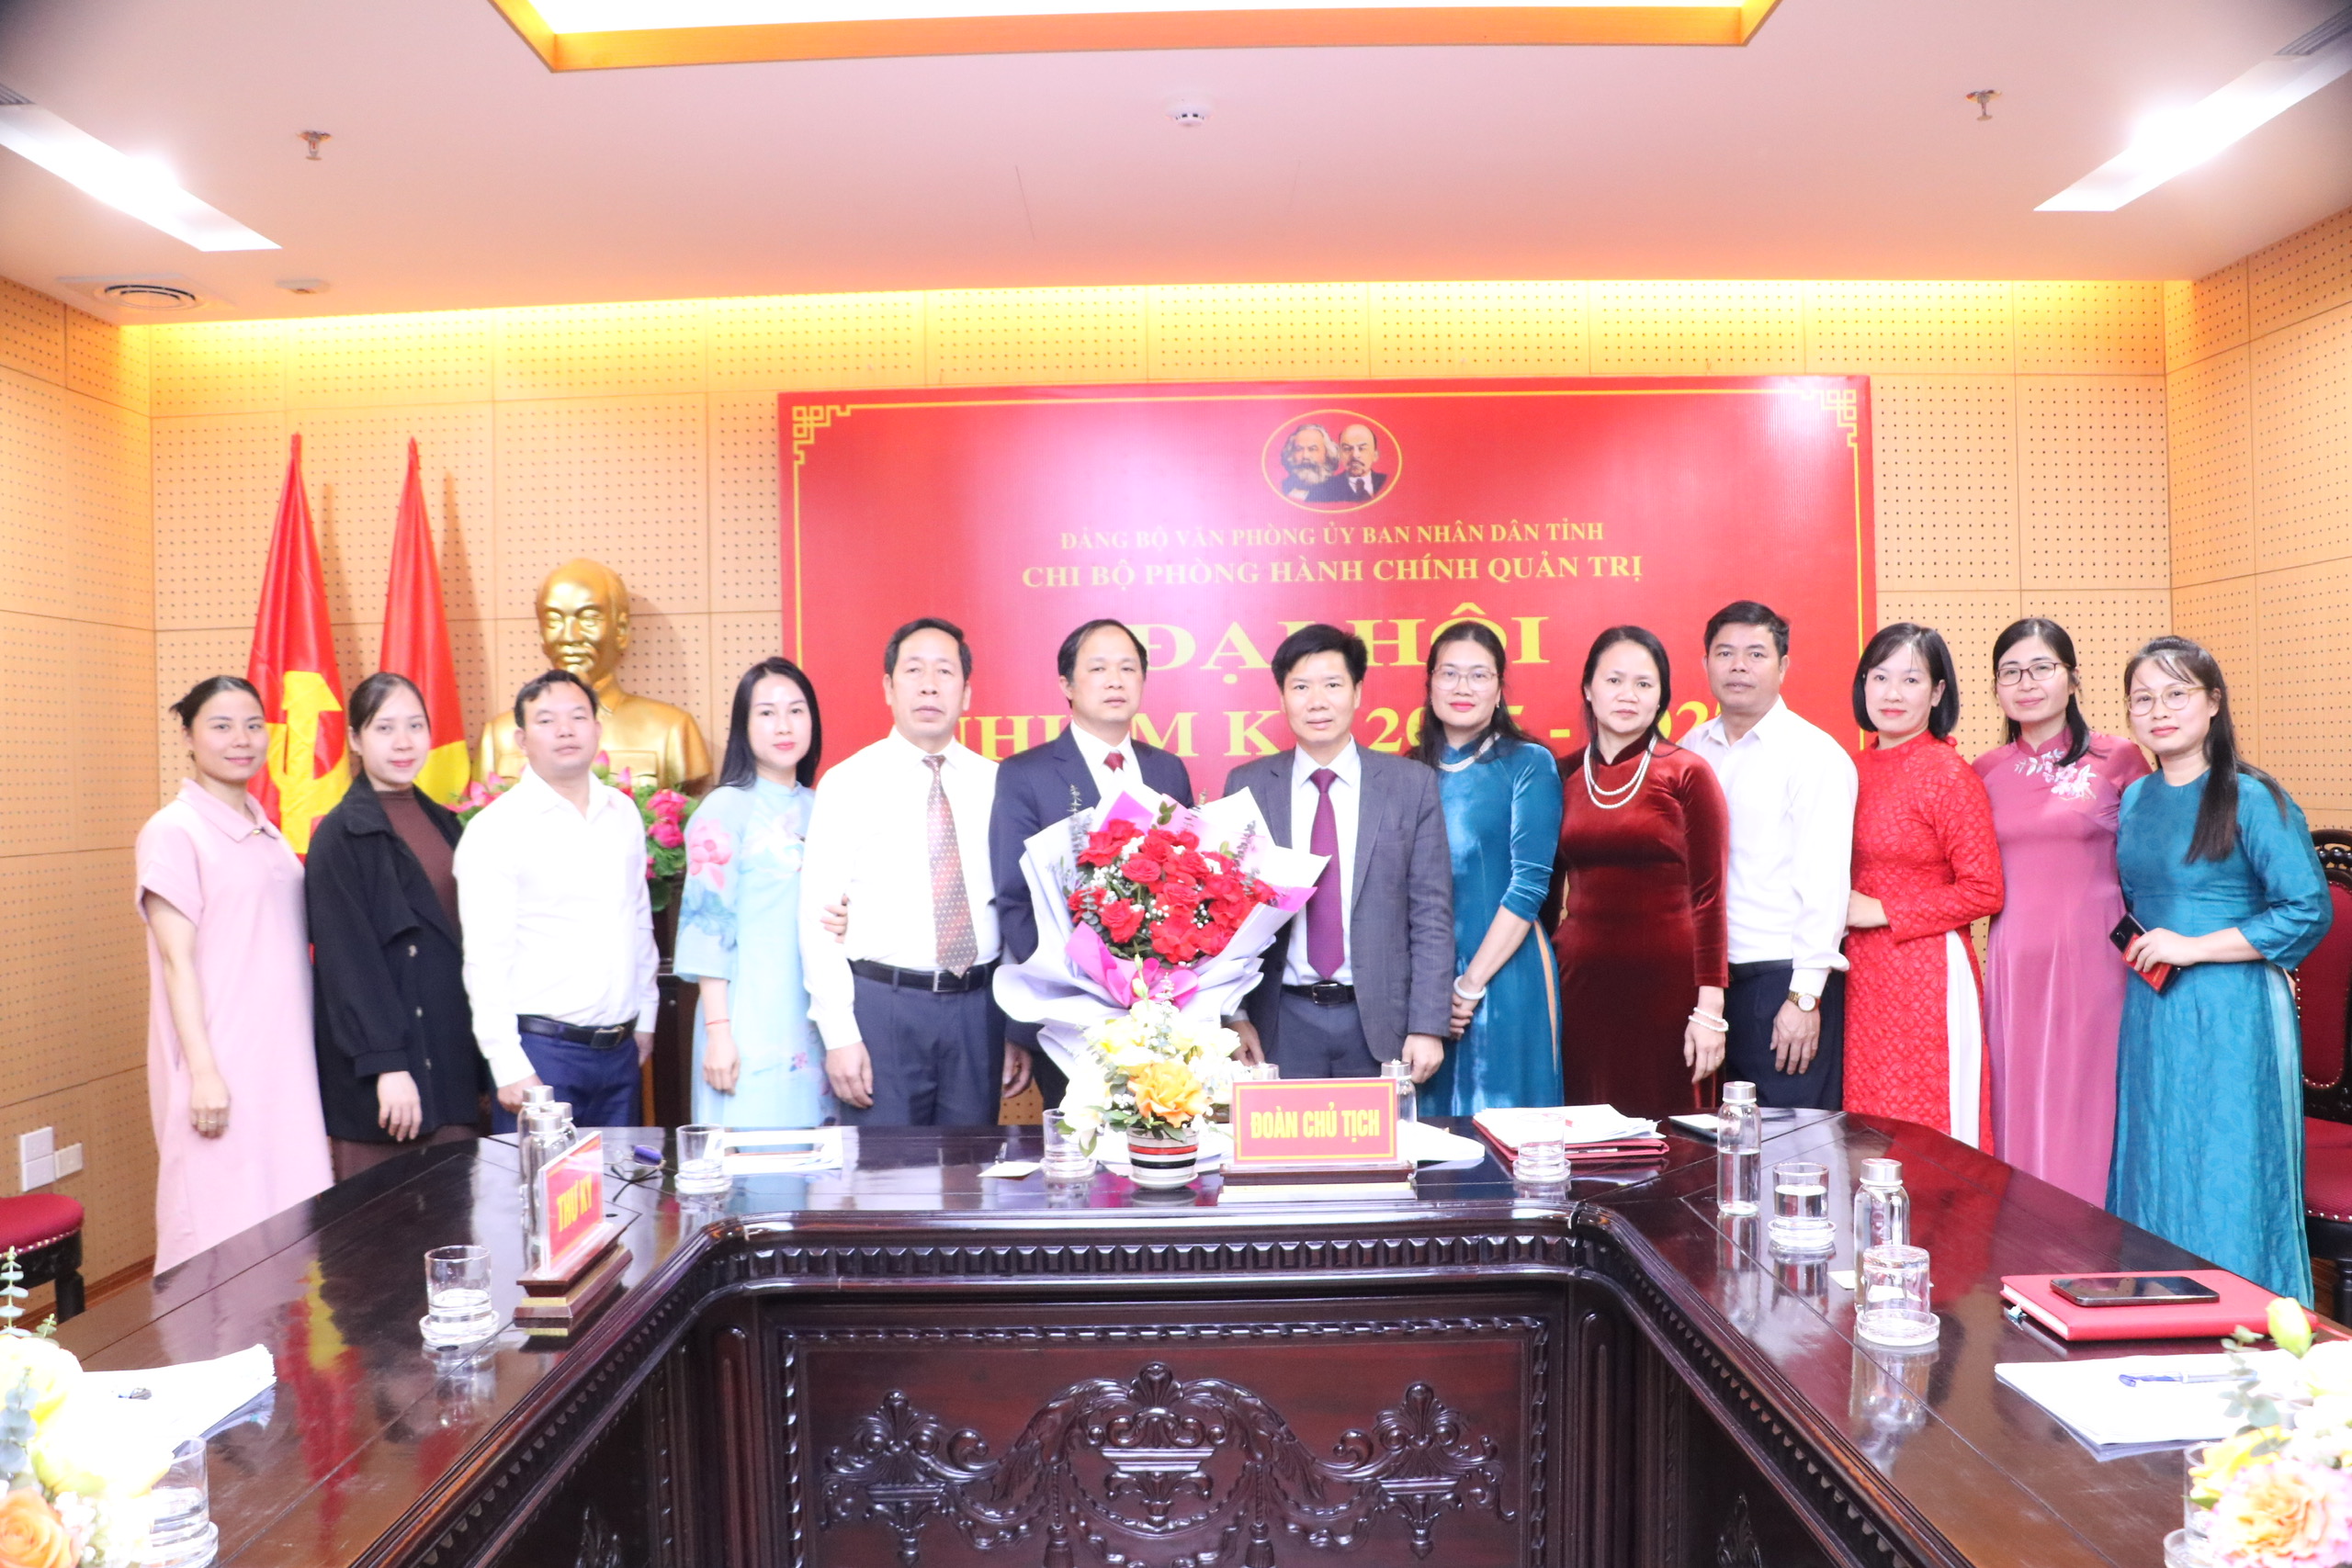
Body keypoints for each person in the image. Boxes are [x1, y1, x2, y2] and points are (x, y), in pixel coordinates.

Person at [2111, 637, 2330, 1303]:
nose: (2159, 710)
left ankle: (2242, 1319)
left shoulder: (2252, 796)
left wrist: (2195, 946)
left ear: (2213, 702)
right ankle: (2155, 1313)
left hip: (2235, 1008)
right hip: (2154, 1007)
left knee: (2226, 1162)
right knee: (2156, 1153)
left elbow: (2308, 910)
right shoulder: (2136, 798)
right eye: (2143, 698)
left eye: (2176, 694)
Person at [136, 676, 332, 1273]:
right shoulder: (174, 831)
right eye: (221, 726)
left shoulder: (266, 830)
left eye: (252, 725)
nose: (240, 739)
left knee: (284, 1246)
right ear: (188, 737)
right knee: (218, 1251)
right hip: (220, 1068)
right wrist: (204, 1073)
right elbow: (177, 961)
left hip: (283, 1071)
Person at [802, 617, 1027, 1125]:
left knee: (971, 1169)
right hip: (883, 1008)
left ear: (966, 694)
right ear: (888, 687)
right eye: (914, 670)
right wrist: (839, 1034)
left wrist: (1015, 1024)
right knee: (884, 1171)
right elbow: (817, 918)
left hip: (979, 1010)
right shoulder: (848, 782)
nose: (929, 685)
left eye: (944, 671)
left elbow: (1014, 904)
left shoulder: (997, 784)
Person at [1221, 624, 1453, 1080]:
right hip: (1278, 1021)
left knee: (1384, 1134)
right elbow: (1226, 915)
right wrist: (1234, 1014)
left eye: (1332, 684)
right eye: (1300, 687)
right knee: (1281, 1132)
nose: (1317, 701)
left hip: (1382, 1023)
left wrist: (1428, 1025)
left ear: (1358, 692)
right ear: (1282, 697)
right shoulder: (1248, 786)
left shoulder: (1409, 786)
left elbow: (1431, 912)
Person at [1971, 618, 2150, 1205]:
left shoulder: (2118, 757)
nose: (2027, 683)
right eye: (2011, 672)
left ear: (2072, 679)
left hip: (2096, 961)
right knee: (2016, 1094)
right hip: (2014, 963)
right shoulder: (1984, 771)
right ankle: (2022, 1238)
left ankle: (2095, 1239)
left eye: (2042, 668)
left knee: (2088, 1098)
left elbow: (2152, 865)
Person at [989, 619, 1195, 1110]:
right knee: (1084, 1142)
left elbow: (1190, 887)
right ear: (1067, 684)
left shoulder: (1168, 769)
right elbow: (1015, 899)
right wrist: (1083, 983)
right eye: (1098, 668)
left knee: (1164, 1131)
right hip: (1070, 1013)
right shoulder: (1026, 774)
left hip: (1162, 1011)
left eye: (1128, 668)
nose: (1115, 680)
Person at [455, 670, 659, 1131]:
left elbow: (638, 918)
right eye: (546, 721)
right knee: (542, 1180)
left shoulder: (622, 812)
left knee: (622, 1179)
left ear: (597, 730)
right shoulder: (495, 830)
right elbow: (485, 959)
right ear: (522, 740)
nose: (565, 730)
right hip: (542, 1056)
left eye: (578, 717)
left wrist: (646, 1017)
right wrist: (507, 1064)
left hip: (620, 1052)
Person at [306, 672, 483, 1182]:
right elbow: (347, 963)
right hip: (388, 1076)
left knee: (461, 1214)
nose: (403, 742)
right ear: (356, 739)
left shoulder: (446, 823)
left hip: (449, 1056)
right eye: (385, 728)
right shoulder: (340, 834)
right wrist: (387, 1065)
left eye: (415, 726)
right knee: (384, 1221)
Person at [1552, 626, 1730, 1119]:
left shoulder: (1687, 772)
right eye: (1614, 680)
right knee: (1586, 1128)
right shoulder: (1561, 773)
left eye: (1644, 684)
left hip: (1671, 989)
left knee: (1673, 1136)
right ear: (1588, 688)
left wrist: (1710, 1010)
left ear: (1661, 698)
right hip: (1580, 985)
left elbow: (1711, 898)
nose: (1627, 695)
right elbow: (1543, 896)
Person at [1684, 603, 1857, 1109]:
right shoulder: (1692, 749)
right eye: (1725, 653)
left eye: (1756, 654)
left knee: (1795, 1144)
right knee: (1708, 1142)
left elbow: (1826, 884)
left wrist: (1805, 997)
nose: (1739, 665)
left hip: (1780, 986)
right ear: (1706, 664)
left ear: (1783, 666)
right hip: (1706, 991)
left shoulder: (1814, 755)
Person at [1841, 624, 2004, 1149]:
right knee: (1865, 1132)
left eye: (1911, 680)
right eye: (1880, 677)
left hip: (1925, 977)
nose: (1892, 693)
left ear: (1937, 693)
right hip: (1858, 976)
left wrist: (1883, 911)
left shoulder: (1948, 775)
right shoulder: (1847, 769)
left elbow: (1984, 890)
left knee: (1925, 1133)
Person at [1411, 621, 1563, 1112]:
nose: (1463, 687)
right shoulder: (1407, 771)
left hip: (1504, 970)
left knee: (1508, 1127)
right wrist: (1428, 996)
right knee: (1427, 1132)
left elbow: (1529, 884)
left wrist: (1469, 985)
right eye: (1449, 673)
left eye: (1479, 675)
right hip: (1426, 982)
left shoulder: (1528, 763)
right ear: (1430, 683)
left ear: (1499, 690)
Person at [676, 658, 832, 1128]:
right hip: (748, 1023)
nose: (783, 725)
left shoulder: (822, 808)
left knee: (818, 1163)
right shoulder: (724, 809)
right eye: (766, 713)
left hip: (817, 1020)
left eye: (796, 711)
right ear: (743, 727)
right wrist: (719, 1033)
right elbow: (707, 930)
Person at [1309, 423, 1391, 503]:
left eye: (1362, 448)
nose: (1355, 455)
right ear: (1340, 454)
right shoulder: (1322, 489)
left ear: (1375, 455)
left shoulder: (1387, 482)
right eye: (1347, 449)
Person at [1279, 424, 1338, 502]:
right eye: (1299, 449)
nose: (1305, 456)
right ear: (1291, 454)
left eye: (1312, 449)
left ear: (1327, 453)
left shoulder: (1338, 490)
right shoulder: (1282, 488)